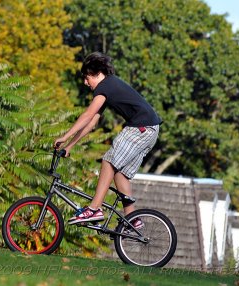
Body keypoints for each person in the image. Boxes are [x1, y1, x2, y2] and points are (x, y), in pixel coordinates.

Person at [54, 52, 162, 228]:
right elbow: (90, 124)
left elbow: (87, 114)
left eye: (86, 77)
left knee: (108, 160)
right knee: (120, 173)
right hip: (150, 130)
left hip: (140, 128)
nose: (85, 82)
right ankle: (133, 218)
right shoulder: (108, 88)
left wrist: (64, 136)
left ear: (96, 73)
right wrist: (70, 145)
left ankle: (94, 209)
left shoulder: (105, 86)